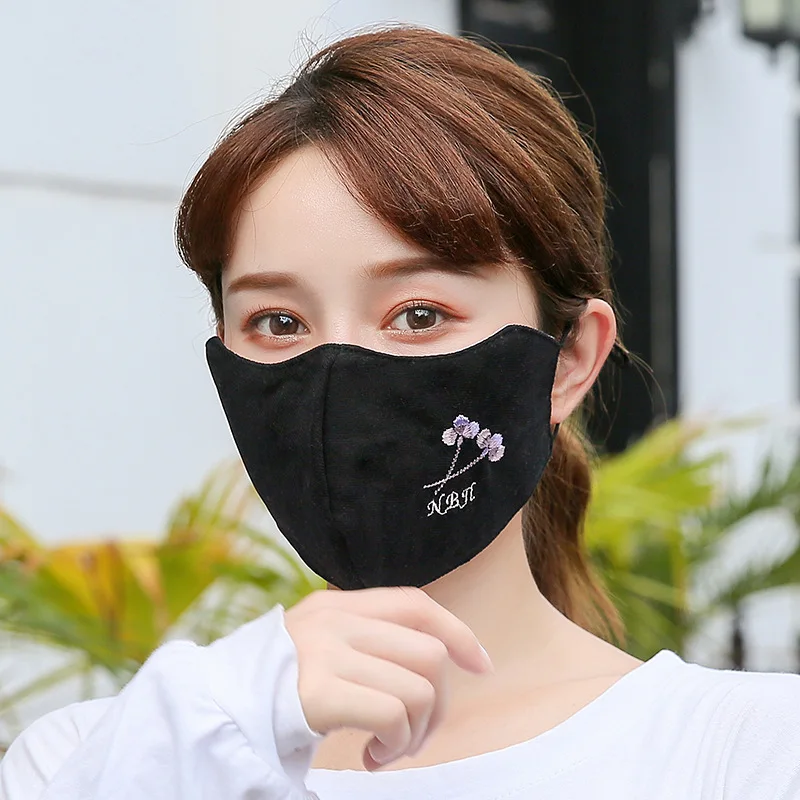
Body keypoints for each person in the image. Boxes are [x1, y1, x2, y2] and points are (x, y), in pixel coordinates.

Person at [2, 26, 799, 800]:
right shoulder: (94, 761)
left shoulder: (747, 756)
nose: (339, 374)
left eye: (419, 314)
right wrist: (228, 718)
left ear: (568, 360)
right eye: (278, 321)